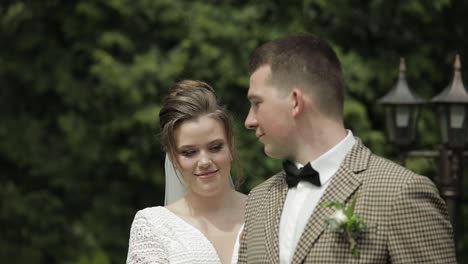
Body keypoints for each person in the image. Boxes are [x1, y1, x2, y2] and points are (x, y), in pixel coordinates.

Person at [238, 34, 457, 263]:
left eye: (257, 103)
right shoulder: (258, 200)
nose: (249, 120)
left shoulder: (400, 193)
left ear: (295, 101)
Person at [126, 80, 246, 264]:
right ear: (173, 158)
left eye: (215, 147)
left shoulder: (266, 213)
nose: (205, 161)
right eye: (189, 152)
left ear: (230, 146)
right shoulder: (153, 227)